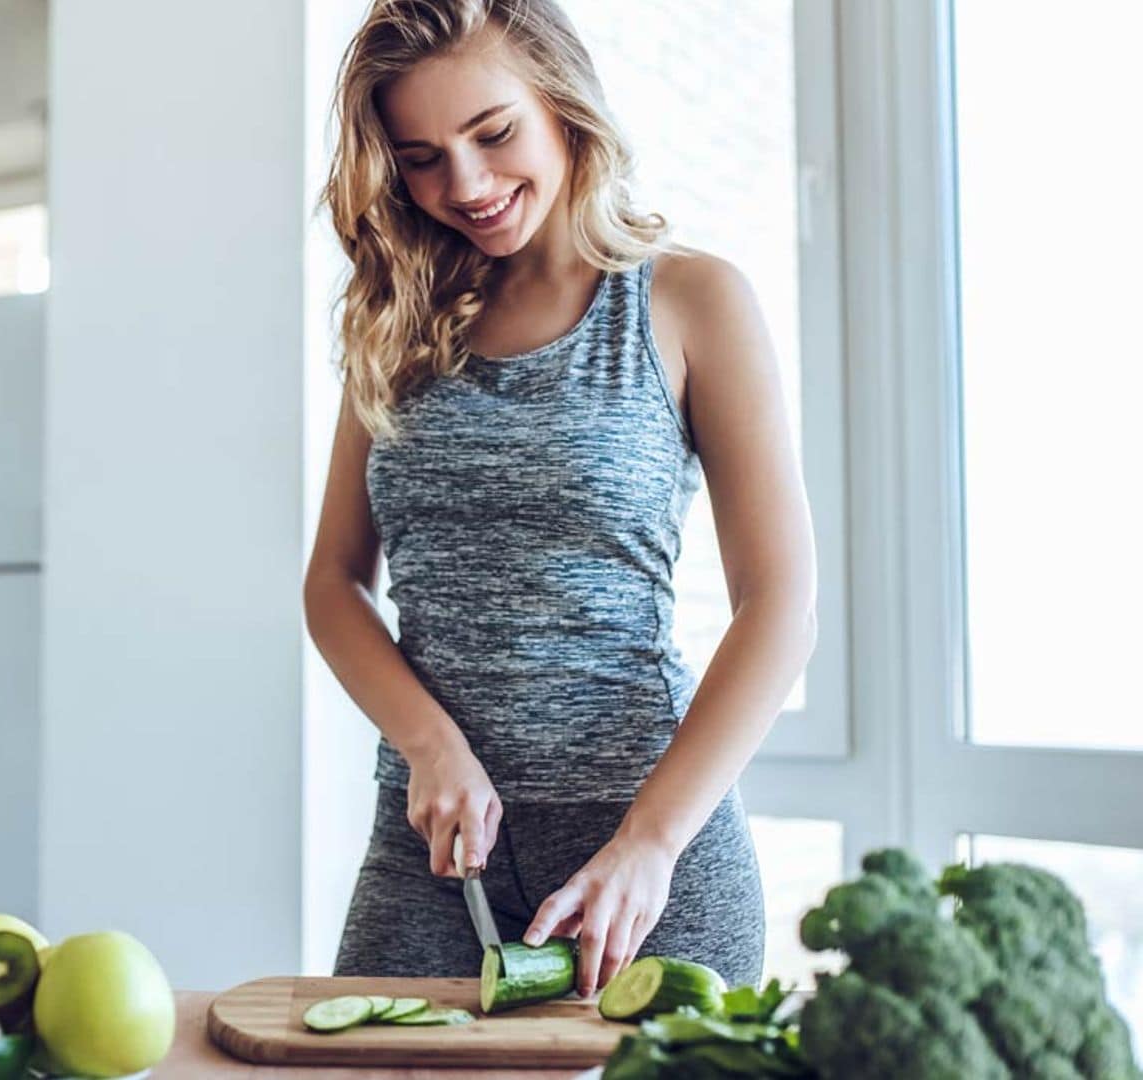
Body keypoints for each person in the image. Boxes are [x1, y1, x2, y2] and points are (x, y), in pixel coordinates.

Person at [304, 0, 817, 996]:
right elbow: (331, 583)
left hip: (644, 854)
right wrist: (428, 743)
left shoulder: (689, 300)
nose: (467, 184)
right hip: (433, 855)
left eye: (493, 134)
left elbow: (781, 605)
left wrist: (654, 841)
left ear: (563, 104)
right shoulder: (395, 321)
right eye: (420, 156)